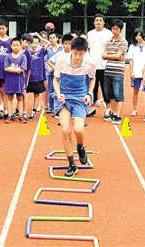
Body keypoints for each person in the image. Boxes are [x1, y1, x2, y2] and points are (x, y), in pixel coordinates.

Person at [53, 37, 96, 177]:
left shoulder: (90, 63)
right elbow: (56, 79)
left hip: (80, 98)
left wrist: (89, 94)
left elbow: (92, 80)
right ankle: (72, 164)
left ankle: (80, 146)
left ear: (85, 52)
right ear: (71, 50)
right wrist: (58, 94)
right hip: (64, 98)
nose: (77, 57)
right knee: (65, 130)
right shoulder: (61, 61)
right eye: (75, 53)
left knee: (78, 129)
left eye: (81, 54)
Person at [102, 19, 128, 125]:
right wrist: (114, 57)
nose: (114, 31)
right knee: (110, 95)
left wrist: (109, 56)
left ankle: (118, 114)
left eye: (117, 29)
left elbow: (117, 56)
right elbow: (103, 55)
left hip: (118, 71)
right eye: (113, 28)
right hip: (108, 70)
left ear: (120, 30)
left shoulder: (123, 42)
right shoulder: (108, 42)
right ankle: (113, 112)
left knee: (118, 94)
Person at [87, 13, 113, 118]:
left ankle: (107, 109)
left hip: (104, 66)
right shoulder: (90, 34)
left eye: (100, 20)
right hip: (92, 66)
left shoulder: (108, 34)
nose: (98, 22)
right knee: (93, 88)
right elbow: (87, 50)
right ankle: (92, 108)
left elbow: (111, 49)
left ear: (104, 22)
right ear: (94, 22)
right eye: (96, 20)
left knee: (105, 88)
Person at [3, 38, 28, 124]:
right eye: (14, 45)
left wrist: (13, 69)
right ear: (11, 46)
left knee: (19, 98)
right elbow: (6, 68)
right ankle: (9, 116)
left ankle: (20, 116)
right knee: (9, 98)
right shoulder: (8, 56)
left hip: (19, 81)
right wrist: (15, 70)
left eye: (17, 45)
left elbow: (22, 69)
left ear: (20, 46)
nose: (15, 47)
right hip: (10, 81)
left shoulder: (23, 57)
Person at [27, 35, 47, 119]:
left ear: (38, 43)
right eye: (33, 43)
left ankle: (34, 111)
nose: (34, 45)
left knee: (36, 94)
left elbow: (48, 43)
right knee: (22, 94)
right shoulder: (27, 52)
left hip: (38, 77)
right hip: (28, 77)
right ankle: (20, 110)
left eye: (36, 43)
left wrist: (39, 36)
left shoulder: (41, 51)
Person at [129, 28, 145, 117]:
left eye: (139, 35)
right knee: (135, 91)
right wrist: (131, 72)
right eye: (136, 35)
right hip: (136, 72)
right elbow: (131, 60)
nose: (138, 37)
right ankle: (135, 109)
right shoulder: (132, 46)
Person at [45, 32, 63, 114]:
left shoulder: (62, 48)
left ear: (57, 38)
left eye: (53, 37)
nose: (52, 39)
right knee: (50, 89)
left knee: (59, 89)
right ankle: (51, 106)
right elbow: (46, 60)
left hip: (61, 72)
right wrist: (51, 68)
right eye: (50, 38)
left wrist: (56, 69)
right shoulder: (48, 50)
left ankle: (59, 106)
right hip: (50, 73)